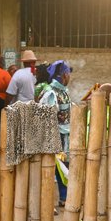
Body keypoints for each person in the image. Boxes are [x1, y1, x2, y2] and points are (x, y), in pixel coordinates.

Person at [39, 60, 72, 206]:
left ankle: (63, 198)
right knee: (53, 168)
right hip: (55, 136)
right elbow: (47, 119)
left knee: (62, 166)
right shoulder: (51, 93)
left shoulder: (63, 91)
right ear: (63, 75)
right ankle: (48, 202)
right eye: (68, 73)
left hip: (63, 135)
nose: (69, 76)